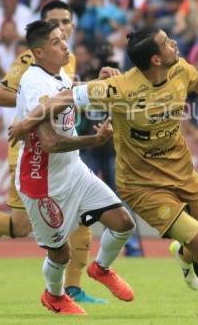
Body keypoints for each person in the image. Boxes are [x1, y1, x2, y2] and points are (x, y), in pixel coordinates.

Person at [10, 27, 198, 319]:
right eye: (166, 42)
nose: (174, 43)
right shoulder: (121, 88)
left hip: (182, 173)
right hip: (141, 185)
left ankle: (175, 255)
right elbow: (62, 100)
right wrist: (26, 123)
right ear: (155, 59)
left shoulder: (179, 68)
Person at [0, 0, 110, 304]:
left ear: (73, 25)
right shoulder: (30, 59)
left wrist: (87, 90)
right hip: (33, 153)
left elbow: (67, 93)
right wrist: (36, 106)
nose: (61, 26)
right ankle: (67, 289)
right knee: (31, 225)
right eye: (55, 21)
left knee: (63, 220)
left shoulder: (66, 59)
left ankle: (71, 289)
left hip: (57, 154)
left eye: (66, 20)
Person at [10, 19, 135, 315]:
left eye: (64, 38)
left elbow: (67, 91)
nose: (65, 45)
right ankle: (54, 296)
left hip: (73, 172)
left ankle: (101, 269)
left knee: (123, 224)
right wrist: (95, 139)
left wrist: (97, 82)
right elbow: (50, 142)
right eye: (56, 41)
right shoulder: (34, 84)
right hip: (43, 182)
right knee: (60, 252)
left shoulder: (59, 73)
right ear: (39, 52)